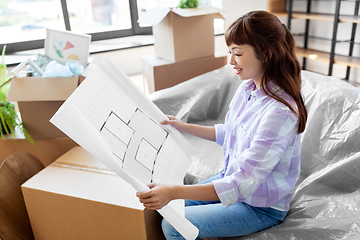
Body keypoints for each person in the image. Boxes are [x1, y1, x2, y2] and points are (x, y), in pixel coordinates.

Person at [136, 10, 308, 239]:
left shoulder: (280, 113)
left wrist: (174, 192)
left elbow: (242, 183)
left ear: (265, 54)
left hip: (260, 207)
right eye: (230, 52)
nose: (231, 61)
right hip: (231, 178)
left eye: (237, 53)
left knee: (174, 226)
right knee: (169, 208)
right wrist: (183, 127)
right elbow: (230, 133)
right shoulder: (248, 88)